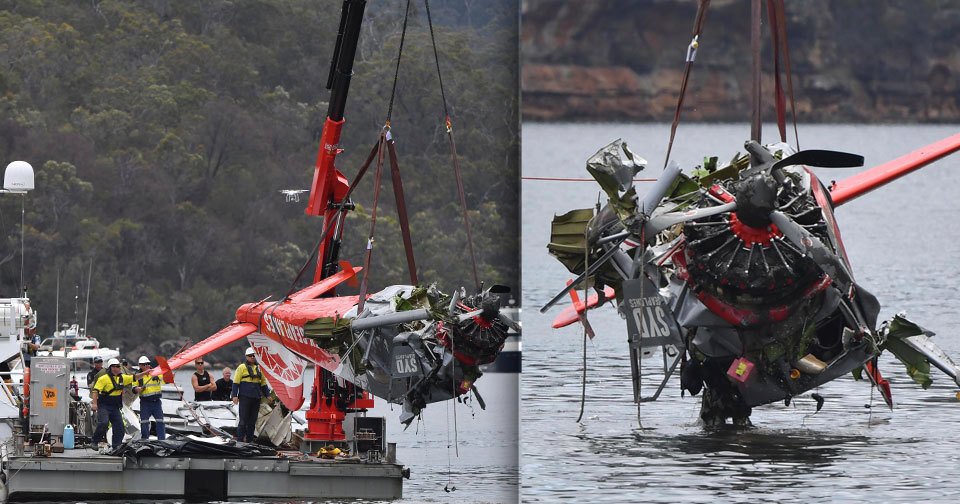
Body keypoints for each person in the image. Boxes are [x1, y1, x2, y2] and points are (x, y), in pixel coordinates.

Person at [90, 358, 149, 448]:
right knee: (103, 423)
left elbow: (136, 377)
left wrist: (145, 373)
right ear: (110, 368)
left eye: (117, 366)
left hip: (115, 407)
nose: (116, 368)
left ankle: (116, 446)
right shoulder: (103, 379)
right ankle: (94, 441)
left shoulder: (123, 378)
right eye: (113, 367)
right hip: (104, 406)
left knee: (120, 427)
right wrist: (94, 404)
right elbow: (95, 391)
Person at [232, 347, 270, 443]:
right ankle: (240, 440)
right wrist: (234, 396)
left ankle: (249, 440)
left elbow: (263, 383)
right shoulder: (241, 367)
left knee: (252, 421)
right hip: (245, 398)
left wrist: (268, 395)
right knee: (243, 421)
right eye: (250, 356)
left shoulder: (259, 368)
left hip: (256, 398)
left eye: (254, 355)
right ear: (246, 356)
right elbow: (235, 383)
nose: (252, 357)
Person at [136, 356, 165, 440]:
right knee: (144, 422)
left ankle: (162, 440)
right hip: (145, 403)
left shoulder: (156, 373)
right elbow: (133, 387)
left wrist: (170, 376)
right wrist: (137, 389)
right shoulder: (138, 376)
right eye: (144, 364)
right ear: (140, 366)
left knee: (160, 421)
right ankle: (145, 440)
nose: (147, 366)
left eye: (148, 364)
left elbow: (166, 380)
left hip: (156, 402)